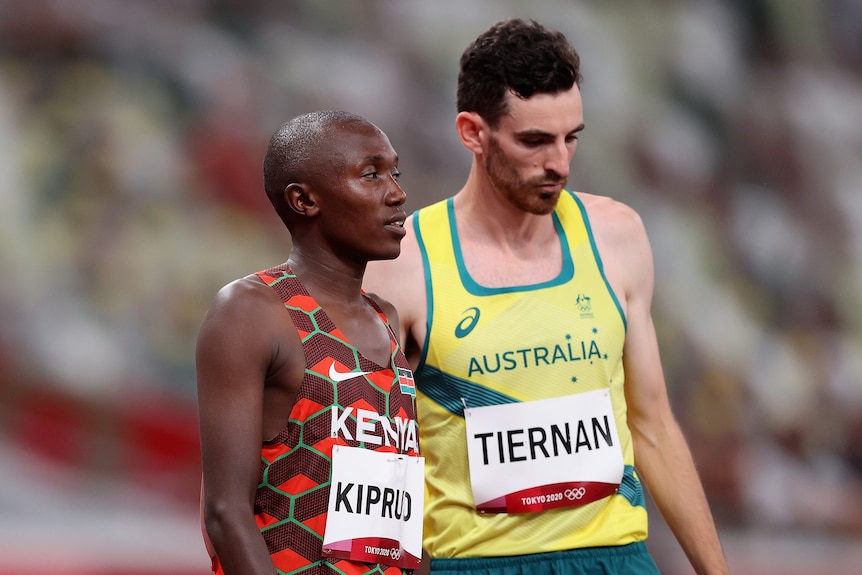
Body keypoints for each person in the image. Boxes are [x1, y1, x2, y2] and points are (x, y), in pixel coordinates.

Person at [363, 18, 730, 575]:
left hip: (616, 559)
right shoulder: (401, 263)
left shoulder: (617, 236)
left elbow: (652, 424)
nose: (559, 163)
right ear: (472, 132)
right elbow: (372, 457)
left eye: (571, 137)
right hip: (479, 564)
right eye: (534, 141)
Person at [196, 110, 425, 575]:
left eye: (394, 173)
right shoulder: (251, 311)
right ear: (304, 200)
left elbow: (402, 518)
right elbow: (224, 512)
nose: (397, 193)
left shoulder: (387, 318)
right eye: (370, 175)